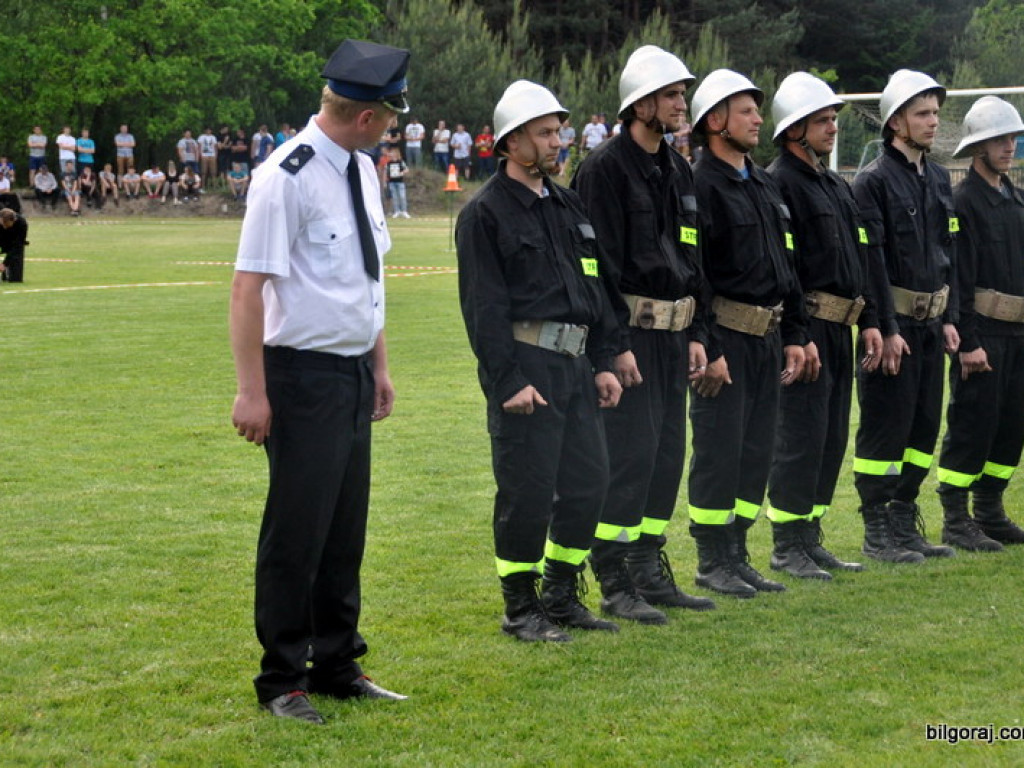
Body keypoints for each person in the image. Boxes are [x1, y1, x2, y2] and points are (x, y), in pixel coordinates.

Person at [230, 37, 410, 725]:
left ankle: (336, 662)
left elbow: (367, 276)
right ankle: (282, 677)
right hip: (301, 376)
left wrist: (378, 364)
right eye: (388, 117)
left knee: (343, 530)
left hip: (351, 372)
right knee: (297, 533)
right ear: (366, 116)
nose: (390, 128)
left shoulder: (360, 169)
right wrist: (252, 391)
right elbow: (248, 289)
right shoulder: (287, 176)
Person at [456, 80, 624, 644]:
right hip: (527, 366)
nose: (558, 141)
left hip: (576, 366)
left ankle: (560, 593)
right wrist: (507, 381)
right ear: (512, 142)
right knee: (526, 492)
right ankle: (520, 606)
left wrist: (603, 359)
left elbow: (594, 287)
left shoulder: (568, 204)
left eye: (559, 131)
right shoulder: (485, 213)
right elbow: (483, 309)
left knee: (590, 482)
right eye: (546, 133)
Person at [572, 45, 716, 622]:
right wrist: (614, 348)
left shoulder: (679, 169)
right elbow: (597, 269)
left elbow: (692, 257)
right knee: (628, 459)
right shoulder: (603, 169)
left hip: (676, 336)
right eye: (672, 95)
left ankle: (649, 568)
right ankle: (613, 578)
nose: (682, 104)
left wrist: (698, 331)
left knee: (665, 457)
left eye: (683, 94)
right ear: (641, 103)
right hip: (631, 335)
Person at [686, 69, 810, 597]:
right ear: (716, 120)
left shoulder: (762, 183)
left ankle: (737, 552)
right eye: (746, 110)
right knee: (720, 451)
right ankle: (712, 559)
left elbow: (788, 266)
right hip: (727, 338)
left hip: (768, 338)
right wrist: (710, 347)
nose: (759, 119)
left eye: (757, 110)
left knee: (756, 451)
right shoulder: (698, 185)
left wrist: (796, 334)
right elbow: (695, 274)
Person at [763, 72, 882, 580]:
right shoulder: (779, 183)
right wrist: (798, 334)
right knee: (800, 435)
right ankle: (786, 545)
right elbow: (784, 266)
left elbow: (860, 259)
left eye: (834, 118)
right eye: (822, 120)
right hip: (807, 327)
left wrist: (870, 319)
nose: (833, 127)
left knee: (831, 438)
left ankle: (811, 537)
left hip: (841, 329)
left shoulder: (835, 184)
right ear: (794, 129)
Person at [851, 70, 959, 562]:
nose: (933, 121)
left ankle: (903, 518)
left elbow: (946, 253)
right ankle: (877, 530)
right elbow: (871, 263)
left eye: (935, 112)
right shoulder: (872, 182)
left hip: (932, 325)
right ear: (896, 122)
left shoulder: (938, 178)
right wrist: (886, 329)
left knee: (922, 429)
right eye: (922, 113)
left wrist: (949, 316)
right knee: (885, 427)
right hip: (894, 327)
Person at [935, 97, 1024, 550]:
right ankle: (955, 518)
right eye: (999, 139)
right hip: (983, 334)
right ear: (977, 146)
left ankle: (990, 511)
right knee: (974, 423)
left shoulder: (1017, 200)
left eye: (1013, 138)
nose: (1009, 147)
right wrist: (968, 341)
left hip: (1018, 335)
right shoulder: (963, 202)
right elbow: (959, 277)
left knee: (1011, 427)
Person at [0, 208, 28, 283]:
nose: (4, 226)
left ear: (13, 220)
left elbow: (17, 245)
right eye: (2, 224)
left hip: (15, 241)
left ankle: (6, 272)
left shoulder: (22, 223)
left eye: (6, 224)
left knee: (16, 280)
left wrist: (4, 264)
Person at [385, 147, 409, 218]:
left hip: (400, 182)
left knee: (402, 196)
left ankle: (404, 211)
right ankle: (397, 211)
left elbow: (406, 169)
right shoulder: (388, 163)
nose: (391, 154)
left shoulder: (400, 162)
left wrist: (402, 173)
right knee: (395, 197)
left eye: (392, 152)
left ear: (396, 154)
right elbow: (386, 172)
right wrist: (385, 181)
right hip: (392, 182)